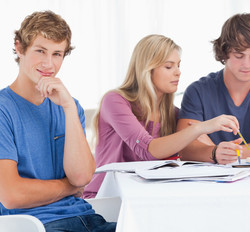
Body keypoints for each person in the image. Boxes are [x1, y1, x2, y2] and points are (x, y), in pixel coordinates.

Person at [0, 11, 116, 231]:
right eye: (40, 51)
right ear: (19, 48)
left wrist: (68, 109)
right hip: (39, 225)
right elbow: (12, 195)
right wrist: (68, 187)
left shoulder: (69, 106)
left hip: (90, 219)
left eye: (57, 54)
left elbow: (82, 177)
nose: (48, 63)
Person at [83, 34, 241, 198]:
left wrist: (218, 151)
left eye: (178, 66)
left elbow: (196, 147)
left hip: (148, 198)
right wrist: (202, 127)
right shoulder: (115, 101)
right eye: (169, 67)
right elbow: (149, 150)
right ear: (147, 69)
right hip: (107, 200)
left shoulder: (173, 114)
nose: (178, 72)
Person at [177, 13, 250, 165]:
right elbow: (185, 147)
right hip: (208, 184)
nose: (247, 64)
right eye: (239, 55)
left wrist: (222, 152)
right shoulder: (198, 92)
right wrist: (216, 152)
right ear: (224, 52)